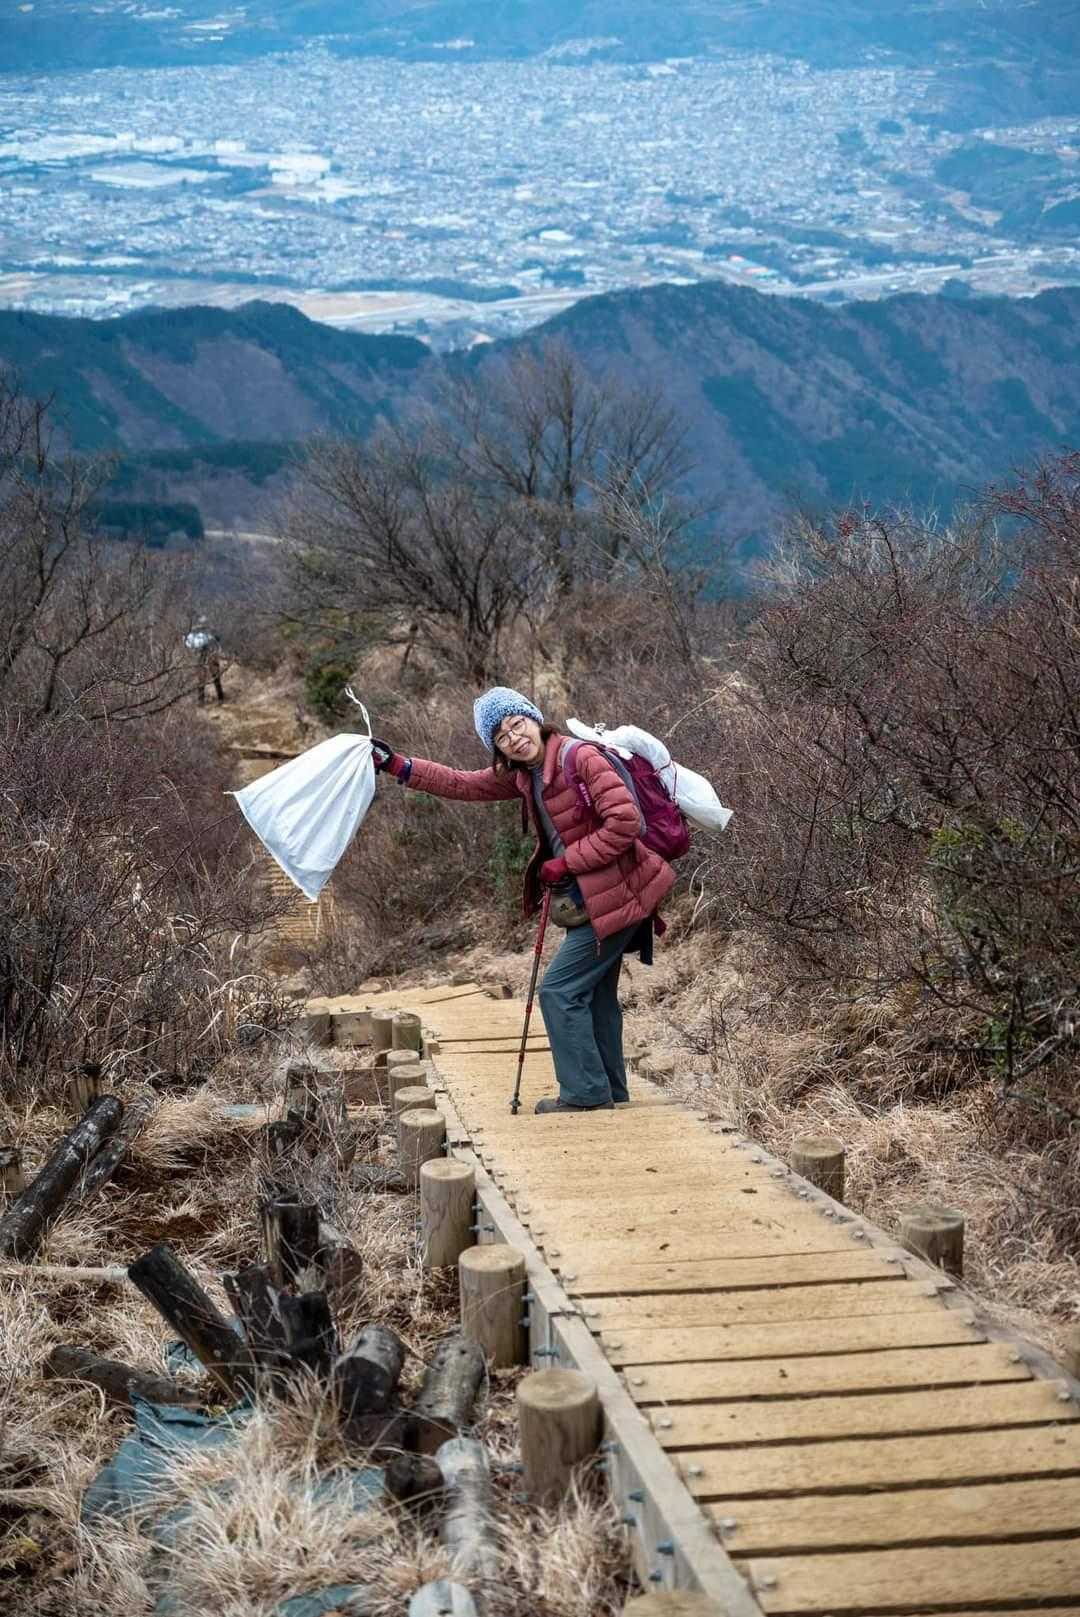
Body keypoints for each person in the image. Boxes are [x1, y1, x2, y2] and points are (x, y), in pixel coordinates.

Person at [371, 686, 676, 1114]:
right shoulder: (525, 774)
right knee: (595, 993)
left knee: (558, 991)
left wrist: (566, 862)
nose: (514, 738)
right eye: (501, 736)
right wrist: (398, 765)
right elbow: (462, 783)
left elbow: (626, 822)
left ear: (535, 719)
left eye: (517, 724)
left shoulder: (580, 757)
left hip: (620, 892)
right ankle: (610, 1089)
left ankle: (585, 1095)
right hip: (598, 895)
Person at [184, 616, 225, 705]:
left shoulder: (211, 631)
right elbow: (188, 644)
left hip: (211, 656)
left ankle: (220, 698)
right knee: (201, 679)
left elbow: (218, 639)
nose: (202, 625)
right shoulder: (194, 633)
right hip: (201, 657)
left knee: (215, 677)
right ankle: (201, 700)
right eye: (201, 623)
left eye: (204, 623)